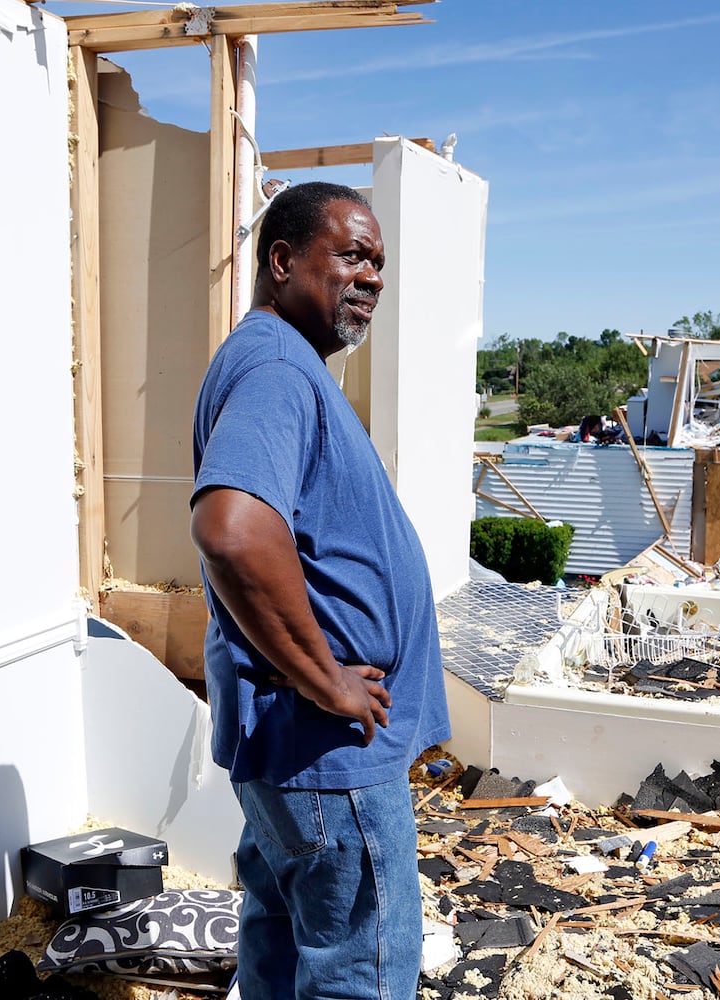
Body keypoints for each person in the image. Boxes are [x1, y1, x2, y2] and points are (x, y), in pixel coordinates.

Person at [189, 181, 451, 1000]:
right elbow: (231, 530)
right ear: (281, 261)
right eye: (351, 255)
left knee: (281, 947)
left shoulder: (279, 363)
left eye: (379, 263)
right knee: (357, 976)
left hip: (295, 754)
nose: (372, 276)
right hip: (326, 756)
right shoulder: (275, 368)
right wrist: (326, 678)